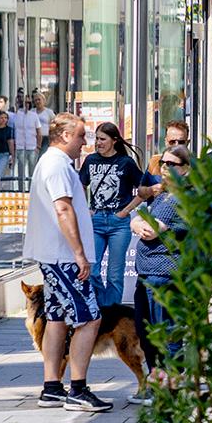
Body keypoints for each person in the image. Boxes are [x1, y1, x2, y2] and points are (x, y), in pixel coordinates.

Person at [25, 113, 113, 413]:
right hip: (64, 258)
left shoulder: (53, 163)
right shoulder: (57, 164)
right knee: (89, 319)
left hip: (56, 256)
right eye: (80, 136)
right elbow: (63, 209)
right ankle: (78, 389)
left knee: (58, 318)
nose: (85, 143)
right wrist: (78, 253)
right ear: (64, 136)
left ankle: (52, 388)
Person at [130, 144, 191, 391]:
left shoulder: (180, 197)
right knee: (148, 331)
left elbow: (150, 229)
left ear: (185, 169)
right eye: (163, 163)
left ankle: (172, 379)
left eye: (172, 164)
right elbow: (140, 219)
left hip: (163, 272)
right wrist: (136, 221)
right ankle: (160, 378)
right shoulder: (163, 195)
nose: (165, 168)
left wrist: (139, 222)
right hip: (147, 271)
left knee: (165, 329)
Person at [79, 122, 143, 308]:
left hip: (118, 223)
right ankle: (102, 307)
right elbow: (80, 185)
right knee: (93, 269)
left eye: (102, 139)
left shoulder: (126, 163)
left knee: (115, 273)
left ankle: (112, 313)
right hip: (96, 220)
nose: (98, 143)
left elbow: (143, 190)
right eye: (96, 139)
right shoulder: (90, 160)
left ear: (114, 141)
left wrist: (125, 211)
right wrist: (86, 209)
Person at [138, 121, 190, 201]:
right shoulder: (155, 161)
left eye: (181, 142)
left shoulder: (197, 166)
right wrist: (151, 190)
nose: (176, 146)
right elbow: (140, 192)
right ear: (165, 141)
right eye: (172, 142)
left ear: (188, 142)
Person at [14, 99, 41, 180]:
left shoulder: (34, 115)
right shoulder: (16, 115)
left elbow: (39, 131)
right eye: (24, 103)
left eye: (28, 103)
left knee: (32, 170)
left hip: (32, 146)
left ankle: (31, 188)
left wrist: (38, 146)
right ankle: (20, 188)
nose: (26, 105)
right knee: (21, 170)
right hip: (20, 146)